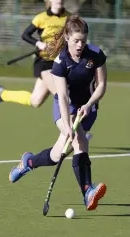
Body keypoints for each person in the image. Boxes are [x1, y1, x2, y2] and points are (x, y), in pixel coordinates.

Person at [8, 15, 107, 211]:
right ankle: (88, 192)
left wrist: (88, 104)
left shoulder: (95, 54)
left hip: (88, 107)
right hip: (65, 107)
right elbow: (61, 95)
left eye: (83, 41)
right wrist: (68, 125)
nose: (80, 45)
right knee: (80, 140)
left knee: (55, 156)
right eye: (76, 40)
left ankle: (29, 161)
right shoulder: (61, 61)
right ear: (68, 38)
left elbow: (102, 85)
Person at [0, 0, 70, 110]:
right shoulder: (41, 18)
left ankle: (2, 94)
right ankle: (70, 129)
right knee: (62, 96)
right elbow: (25, 35)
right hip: (45, 63)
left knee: (35, 101)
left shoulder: (69, 18)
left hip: (61, 62)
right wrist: (39, 44)